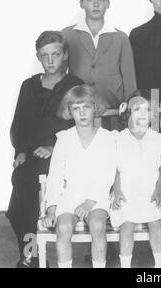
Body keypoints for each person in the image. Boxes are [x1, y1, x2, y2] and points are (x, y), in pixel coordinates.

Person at [6, 31, 83, 268]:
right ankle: (31, 253)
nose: (50, 61)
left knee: (24, 190)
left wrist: (54, 147)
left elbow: (79, 125)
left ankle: (31, 255)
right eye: (44, 55)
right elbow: (18, 124)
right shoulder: (29, 86)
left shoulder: (74, 86)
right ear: (39, 57)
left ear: (65, 55)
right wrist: (20, 150)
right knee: (20, 192)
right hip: (30, 156)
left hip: (61, 156)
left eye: (55, 54)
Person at [40, 85, 117, 268]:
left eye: (87, 107)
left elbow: (108, 173)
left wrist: (90, 202)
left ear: (95, 107)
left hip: (97, 196)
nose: (82, 113)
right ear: (69, 111)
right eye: (76, 108)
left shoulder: (107, 138)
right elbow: (56, 174)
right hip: (70, 195)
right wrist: (52, 208)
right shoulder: (64, 138)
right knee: (63, 227)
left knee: (98, 225)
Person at [62, 0, 136, 129]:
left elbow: (130, 82)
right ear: (81, 3)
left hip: (113, 114)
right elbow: (61, 76)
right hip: (79, 114)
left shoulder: (120, 38)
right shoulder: (67, 35)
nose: (96, 4)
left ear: (108, 3)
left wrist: (128, 114)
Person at [110, 90, 161, 268]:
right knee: (126, 225)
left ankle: (160, 265)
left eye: (148, 109)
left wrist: (158, 192)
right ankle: (125, 264)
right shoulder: (118, 139)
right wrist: (118, 191)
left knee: (156, 223)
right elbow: (115, 170)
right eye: (137, 109)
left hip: (152, 190)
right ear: (128, 113)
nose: (143, 114)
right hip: (127, 191)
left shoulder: (159, 139)